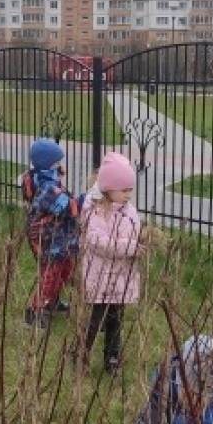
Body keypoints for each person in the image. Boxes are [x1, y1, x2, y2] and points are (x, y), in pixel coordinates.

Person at [79, 150, 143, 373]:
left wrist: (141, 241)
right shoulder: (97, 211)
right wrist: (131, 247)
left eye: (130, 190)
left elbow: (134, 234)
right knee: (95, 320)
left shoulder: (130, 211)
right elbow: (98, 242)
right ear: (108, 188)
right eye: (124, 190)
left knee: (116, 320)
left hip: (120, 277)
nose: (128, 194)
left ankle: (112, 358)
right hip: (100, 277)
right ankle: (81, 353)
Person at [21, 137, 81, 327]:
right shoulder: (47, 188)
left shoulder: (48, 181)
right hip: (49, 241)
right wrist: (87, 199)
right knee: (50, 275)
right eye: (57, 164)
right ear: (49, 166)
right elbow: (69, 207)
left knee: (64, 271)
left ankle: (52, 301)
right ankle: (35, 310)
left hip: (60, 240)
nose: (61, 167)